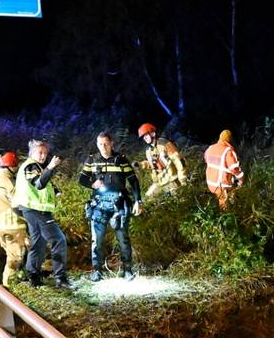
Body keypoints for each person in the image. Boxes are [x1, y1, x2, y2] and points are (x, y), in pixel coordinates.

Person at [78, 131, 142, 281]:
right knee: (97, 239)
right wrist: (91, 184)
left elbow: (133, 181)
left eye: (106, 143)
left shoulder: (121, 160)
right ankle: (97, 270)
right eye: (100, 144)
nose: (103, 147)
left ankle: (127, 270)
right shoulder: (92, 159)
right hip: (99, 205)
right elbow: (81, 179)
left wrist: (138, 201)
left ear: (112, 143)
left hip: (118, 205)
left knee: (123, 238)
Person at [12, 138, 71, 288]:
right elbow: (39, 184)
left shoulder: (36, 166)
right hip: (35, 210)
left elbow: (45, 184)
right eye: (40, 152)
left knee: (39, 243)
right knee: (59, 240)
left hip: (32, 209)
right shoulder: (31, 166)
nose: (43, 155)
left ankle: (33, 276)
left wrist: (56, 191)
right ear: (32, 153)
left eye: (45, 153)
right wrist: (51, 167)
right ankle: (61, 278)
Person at [0, 150, 27, 287]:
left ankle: (20, 278)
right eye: (15, 166)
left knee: (15, 252)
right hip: (14, 226)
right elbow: (19, 204)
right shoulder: (10, 184)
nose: (16, 168)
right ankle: (8, 289)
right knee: (14, 258)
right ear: (10, 166)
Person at [138, 123, 186, 198]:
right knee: (147, 198)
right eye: (143, 137)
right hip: (160, 181)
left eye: (146, 135)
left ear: (153, 133)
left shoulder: (164, 144)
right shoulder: (149, 150)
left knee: (177, 198)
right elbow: (153, 164)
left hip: (173, 180)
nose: (145, 138)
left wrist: (182, 178)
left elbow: (178, 161)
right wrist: (141, 165)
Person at [204, 130, 245, 209]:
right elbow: (234, 169)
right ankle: (226, 213)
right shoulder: (228, 151)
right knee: (224, 206)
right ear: (230, 139)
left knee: (224, 194)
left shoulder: (210, 148)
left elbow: (206, 160)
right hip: (221, 185)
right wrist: (241, 179)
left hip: (210, 183)